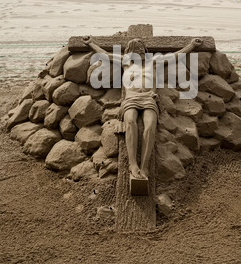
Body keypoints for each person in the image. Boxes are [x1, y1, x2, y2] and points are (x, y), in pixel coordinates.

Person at [82, 36, 203, 180]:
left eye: (140, 48)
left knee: (150, 125)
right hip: (131, 98)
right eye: (134, 49)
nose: (137, 51)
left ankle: (144, 166)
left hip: (149, 98)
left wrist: (191, 46)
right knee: (130, 121)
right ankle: (133, 164)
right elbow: (106, 55)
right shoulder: (126, 62)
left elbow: (174, 56)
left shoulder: (153, 62)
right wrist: (90, 44)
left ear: (144, 50)